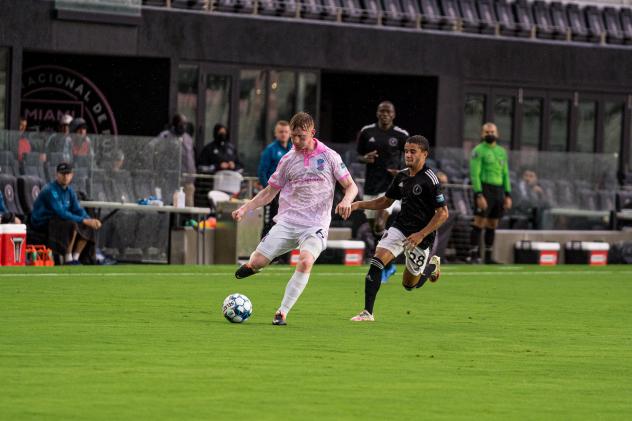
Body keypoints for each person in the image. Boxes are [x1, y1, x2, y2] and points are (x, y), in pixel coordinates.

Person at [231, 112, 358, 326]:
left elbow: (351, 186)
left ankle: (282, 311)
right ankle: (255, 265)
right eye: (293, 137)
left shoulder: (329, 156)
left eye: (301, 136)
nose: (297, 141)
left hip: (315, 224)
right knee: (257, 262)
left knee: (306, 261)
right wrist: (245, 208)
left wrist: (346, 201)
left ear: (312, 133)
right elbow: (270, 192)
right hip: (288, 222)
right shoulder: (288, 159)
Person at [349, 135, 448, 322]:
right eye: (406, 151)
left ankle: (431, 267)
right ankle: (367, 312)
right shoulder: (401, 176)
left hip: (421, 236)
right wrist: (358, 205)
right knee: (377, 260)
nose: (408, 155)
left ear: (425, 154)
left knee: (409, 285)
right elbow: (385, 201)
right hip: (400, 228)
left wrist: (421, 234)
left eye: (413, 151)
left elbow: (443, 213)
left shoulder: (430, 179)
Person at [357, 101, 409, 282]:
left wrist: (401, 171)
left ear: (393, 114)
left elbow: (412, 158)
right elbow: (358, 155)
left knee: (380, 224)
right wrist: (365, 158)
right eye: (382, 111)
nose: (385, 114)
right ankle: (388, 264)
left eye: (388, 111)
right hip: (371, 186)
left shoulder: (401, 135)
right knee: (374, 229)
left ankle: (384, 261)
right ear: (377, 113)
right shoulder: (366, 132)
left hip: (391, 188)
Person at [29, 162, 102, 264]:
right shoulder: (50, 189)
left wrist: (90, 220)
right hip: (42, 222)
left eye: (68, 174)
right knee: (72, 224)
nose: (65, 177)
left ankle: (76, 258)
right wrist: (84, 220)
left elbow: (77, 209)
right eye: (63, 174)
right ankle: (68, 258)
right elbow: (61, 213)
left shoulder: (70, 191)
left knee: (88, 225)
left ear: (72, 175)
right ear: (57, 174)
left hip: (56, 220)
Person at [468, 122, 512, 264]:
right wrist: (479, 194)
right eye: (487, 132)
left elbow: (505, 174)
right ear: (482, 134)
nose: (490, 134)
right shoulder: (478, 150)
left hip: (499, 190)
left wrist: (508, 194)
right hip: (484, 189)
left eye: (492, 132)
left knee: (493, 223)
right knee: (479, 221)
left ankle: (488, 257)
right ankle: (473, 255)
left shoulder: (502, 152)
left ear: (497, 134)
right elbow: (474, 174)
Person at [257, 120, 292, 238]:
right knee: (270, 222)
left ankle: (282, 255)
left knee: (285, 222)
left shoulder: (293, 149)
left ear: (290, 133)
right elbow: (262, 172)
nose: (283, 134)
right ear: (276, 133)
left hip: (288, 193)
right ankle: (264, 251)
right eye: (281, 132)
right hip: (273, 191)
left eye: (286, 132)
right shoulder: (270, 150)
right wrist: (268, 192)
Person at [154, 114, 197, 206]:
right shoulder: (165, 136)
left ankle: (186, 220)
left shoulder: (188, 138)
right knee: (171, 206)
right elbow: (154, 148)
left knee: (188, 206)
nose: (184, 127)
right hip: (171, 180)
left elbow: (191, 157)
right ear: (175, 124)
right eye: (182, 124)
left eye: (186, 124)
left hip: (187, 180)